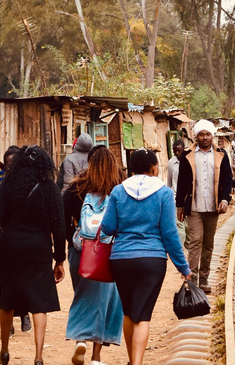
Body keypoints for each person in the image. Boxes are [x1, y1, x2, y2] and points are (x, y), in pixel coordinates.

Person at [0, 146, 66, 365]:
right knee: (39, 302)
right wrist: (60, 259)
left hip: (10, 248)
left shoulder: (7, 186)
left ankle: (5, 351)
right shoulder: (51, 189)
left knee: (7, 299)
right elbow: (59, 226)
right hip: (39, 248)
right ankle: (38, 357)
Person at [101, 149, 192, 365]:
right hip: (152, 260)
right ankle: (137, 363)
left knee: (129, 311)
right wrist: (183, 267)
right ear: (153, 168)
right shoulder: (164, 193)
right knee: (143, 314)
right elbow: (170, 234)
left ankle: (132, 360)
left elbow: (107, 227)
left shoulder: (117, 191)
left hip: (121, 259)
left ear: (131, 168)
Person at [64, 146, 124, 365]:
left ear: (89, 164)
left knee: (82, 296)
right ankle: (96, 357)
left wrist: (73, 241)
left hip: (81, 253)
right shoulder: (119, 190)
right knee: (104, 302)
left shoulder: (75, 189)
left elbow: (63, 220)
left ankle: (80, 339)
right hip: (109, 252)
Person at [176, 120, 232, 293]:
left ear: (212, 135)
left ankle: (204, 278)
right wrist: (179, 206)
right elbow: (182, 182)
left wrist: (225, 199)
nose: (205, 137)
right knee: (194, 242)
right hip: (194, 207)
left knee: (208, 244)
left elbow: (227, 179)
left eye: (208, 134)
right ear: (196, 136)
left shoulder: (221, 154)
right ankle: (191, 279)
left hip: (213, 207)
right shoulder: (187, 155)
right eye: (202, 134)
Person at [0, 146, 32, 335]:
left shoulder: (26, 179)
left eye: (15, 162)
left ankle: (24, 313)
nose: (11, 167)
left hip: (22, 233)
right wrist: (4, 165)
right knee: (5, 277)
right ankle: (8, 321)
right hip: (1, 235)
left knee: (22, 276)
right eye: (8, 163)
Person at [167, 139, 188, 245]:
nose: (177, 153)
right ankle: (181, 250)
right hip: (176, 198)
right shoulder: (171, 163)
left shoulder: (190, 160)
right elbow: (169, 182)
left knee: (188, 226)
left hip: (188, 198)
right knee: (179, 225)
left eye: (179, 151)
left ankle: (189, 248)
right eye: (175, 151)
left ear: (183, 149)